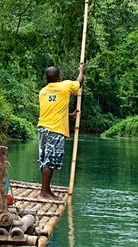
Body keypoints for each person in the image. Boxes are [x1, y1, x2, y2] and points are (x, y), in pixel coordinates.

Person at [37, 64, 85, 200]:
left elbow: (52, 110)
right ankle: (44, 193)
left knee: (44, 160)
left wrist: (70, 115)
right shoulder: (65, 86)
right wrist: (81, 72)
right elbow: (78, 83)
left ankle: (46, 190)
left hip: (43, 129)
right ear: (59, 77)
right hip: (55, 130)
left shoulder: (43, 92)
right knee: (49, 161)